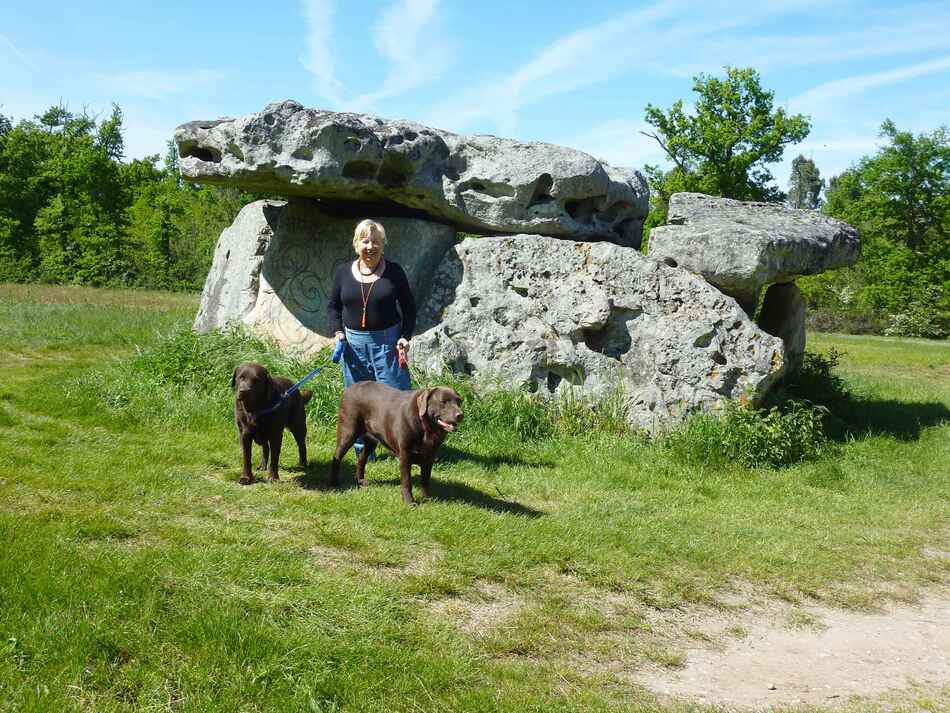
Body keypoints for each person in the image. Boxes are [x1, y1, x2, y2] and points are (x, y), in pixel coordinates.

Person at [327, 219, 416, 455]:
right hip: (353, 347)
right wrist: (337, 332)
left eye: (376, 241)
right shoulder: (343, 272)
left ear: (383, 245)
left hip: (388, 345)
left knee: (397, 400)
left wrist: (405, 337)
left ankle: (404, 448)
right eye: (365, 241)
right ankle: (362, 452)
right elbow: (333, 307)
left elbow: (409, 309)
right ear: (356, 244)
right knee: (358, 400)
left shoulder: (395, 272)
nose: (370, 246)